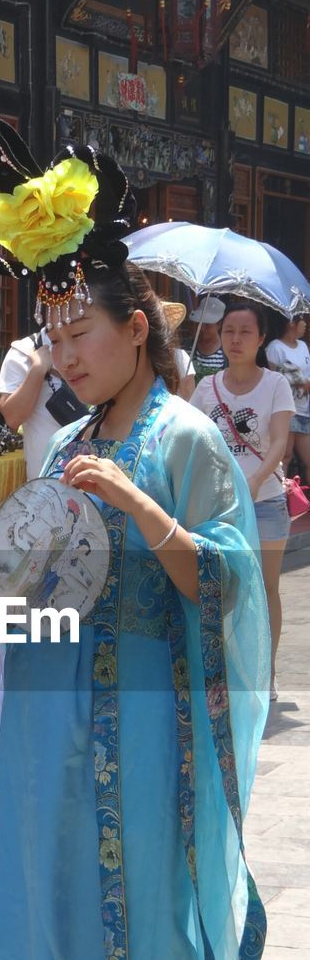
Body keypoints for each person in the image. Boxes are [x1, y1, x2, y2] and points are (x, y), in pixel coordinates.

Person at [0, 121, 276, 960]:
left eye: (79, 329)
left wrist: (142, 508)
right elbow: (50, 585)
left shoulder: (183, 439)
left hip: (144, 722)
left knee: (144, 921)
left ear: (136, 330)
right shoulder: (64, 439)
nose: (63, 352)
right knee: (48, 904)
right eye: (50, 335)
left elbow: (228, 584)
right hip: (53, 708)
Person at [192, 301, 293, 700]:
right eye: (229, 330)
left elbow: (280, 442)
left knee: (266, 587)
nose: (234, 339)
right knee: (221, 589)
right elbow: (193, 441)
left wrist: (255, 479)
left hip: (266, 500)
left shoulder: (276, 384)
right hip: (220, 508)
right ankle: (228, 670)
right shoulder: (204, 387)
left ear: (261, 338)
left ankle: (266, 672)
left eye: (245, 332)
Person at [0, 327, 83, 479]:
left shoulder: (96, 341)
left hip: (98, 469)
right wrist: (38, 369)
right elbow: (12, 418)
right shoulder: (23, 351)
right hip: (47, 479)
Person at [266, 315, 310, 486]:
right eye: (303, 320)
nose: (305, 324)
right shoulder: (275, 347)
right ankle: (282, 495)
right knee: (285, 456)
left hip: (305, 408)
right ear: (291, 323)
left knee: (308, 459)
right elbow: (277, 378)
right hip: (287, 410)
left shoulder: (304, 346)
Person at [188, 297, 227, 381]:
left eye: (207, 325)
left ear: (219, 325)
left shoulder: (227, 352)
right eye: (200, 324)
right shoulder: (189, 346)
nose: (202, 328)